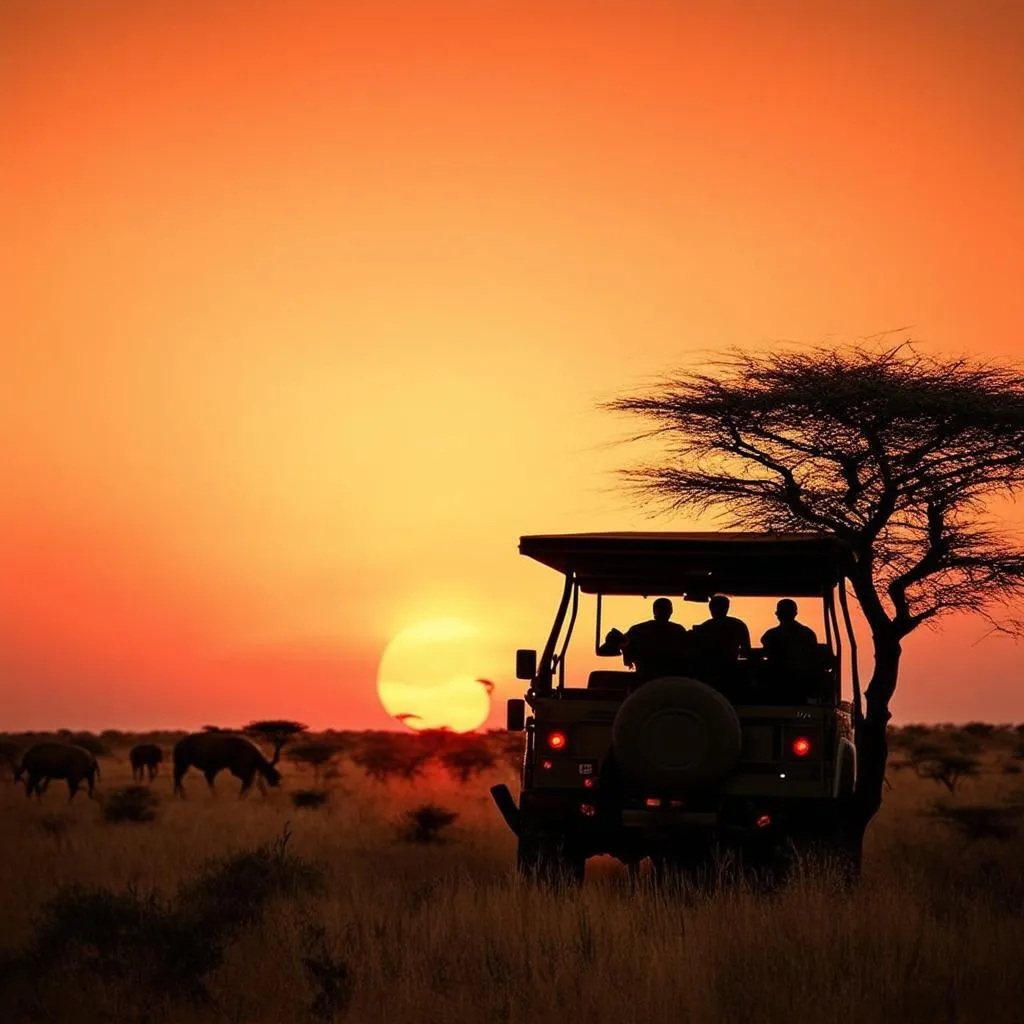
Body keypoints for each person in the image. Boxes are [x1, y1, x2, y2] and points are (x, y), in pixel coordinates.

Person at [760, 599, 820, 700]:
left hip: (777, 683)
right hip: (802, 683)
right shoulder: (808, 633)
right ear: (795, 613)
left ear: (777, 614)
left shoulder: (770, 635)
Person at [620, 598, 690, 683]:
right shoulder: (678, 630)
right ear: (671, 611)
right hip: (672, 680)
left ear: (654, 611)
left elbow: (622, 642)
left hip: (644, 679)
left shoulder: (638, 629)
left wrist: (628, 657)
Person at [692, 595, 751, 662]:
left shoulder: (705, 626)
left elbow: (697, 649)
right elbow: (746, 650)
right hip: (731, 663)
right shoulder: (739, 624)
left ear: (711, 609)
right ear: (727, 608)